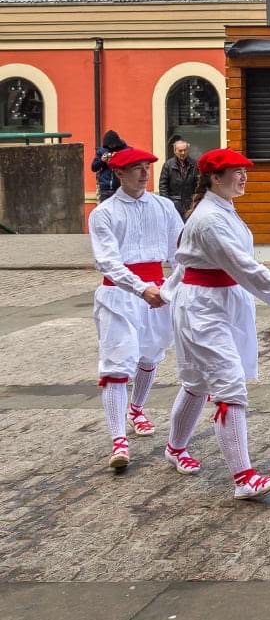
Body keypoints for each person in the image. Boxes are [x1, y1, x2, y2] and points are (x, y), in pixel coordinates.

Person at [160, 149, 270, 500]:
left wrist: (167, 291)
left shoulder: (222, 211)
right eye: (236, 171)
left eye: (245, 171)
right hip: (203, 309)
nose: (243, 176)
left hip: (217, 304)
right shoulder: (209, 219)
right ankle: (243, 477)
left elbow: (185, 263)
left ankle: (174, 447)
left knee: (197, 383)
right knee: (228, 386)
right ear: (215, 178)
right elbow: (246, 267)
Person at [88, 146, 182, 470]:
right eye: (136, 168)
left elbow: (180, 253)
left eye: (146, 167)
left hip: (158, 290)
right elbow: (107, 261)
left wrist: (175, 287)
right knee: (115, 365)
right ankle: (118, 440)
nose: (144, 173)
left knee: (150, 354)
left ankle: (136, 408)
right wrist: (141, 288)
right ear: (119, 173)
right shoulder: (104, 213)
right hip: (118, 294)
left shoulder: (164, 207)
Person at [158, 136, 197, 218]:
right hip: (174, 203)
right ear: (175, 151)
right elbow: (163, 186)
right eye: (180, 151)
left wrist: (196, 201)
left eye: (185, 150)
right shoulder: (168, 165)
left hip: (190, 204)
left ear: (188, 150)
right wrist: (167, 203)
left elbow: (198, 184)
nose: (183, 153)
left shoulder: (194, 164)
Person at [91, 130, 128, 203]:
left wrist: (118, 157)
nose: (111, 146)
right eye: (109, 145)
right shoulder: (101, 151)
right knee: (104, 209)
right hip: (104, 188)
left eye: (112, 144)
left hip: (120, 188)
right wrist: (102, 160)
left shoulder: (124, 149)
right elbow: (93, 168)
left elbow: (129, 163)